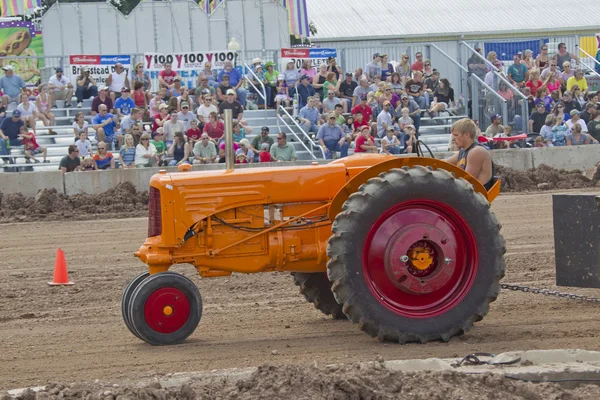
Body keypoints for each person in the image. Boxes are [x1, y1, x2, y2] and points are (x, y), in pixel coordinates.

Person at [444, 118, 494, 190]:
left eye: (456, 135)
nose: (453, 139)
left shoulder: (476, 152)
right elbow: (444, 163)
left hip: (476, 197)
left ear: (467, 135)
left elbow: (466, 181)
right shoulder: (463, 151)